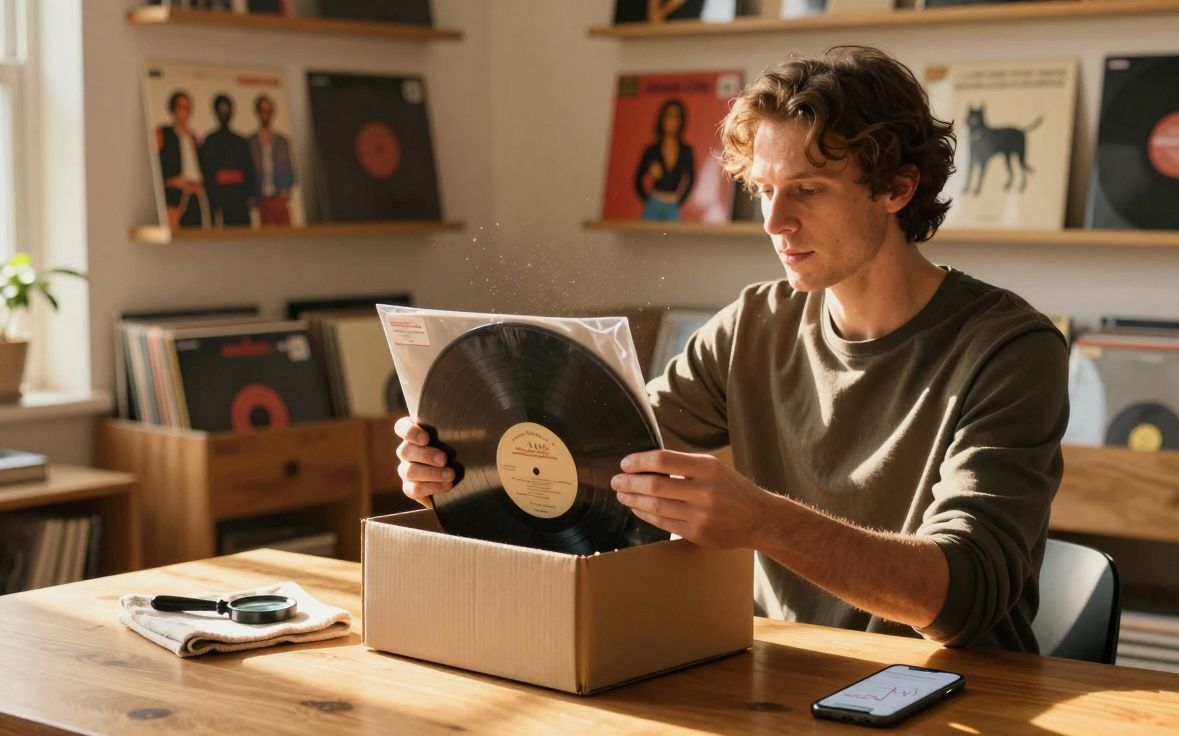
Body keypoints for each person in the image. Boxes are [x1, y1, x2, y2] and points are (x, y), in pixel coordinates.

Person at [394, 46, 1068, 653]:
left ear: (897, 188)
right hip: (778, 675)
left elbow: (966, 598)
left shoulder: (1010, 349)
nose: (774, 224)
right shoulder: (753, 322)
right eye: (765, 191)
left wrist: (762, 521)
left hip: (955, 695)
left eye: (806, 190)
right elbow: (602, 459)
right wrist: (465, 465)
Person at [200, 93, 257, 228]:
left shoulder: (241, 141)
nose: (225, 113)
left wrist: (250, 195)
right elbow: (207, 173)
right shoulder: (210, 141)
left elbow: (249, 171)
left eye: (227, 109)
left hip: (240, 200)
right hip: (221, 200)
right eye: (221, 110)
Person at [634, 99, 696, 222]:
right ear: (662, 119)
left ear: (681, 121)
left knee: (672, 239)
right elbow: (637, 179)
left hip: (672, 204)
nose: (671, 121)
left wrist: (679, 200)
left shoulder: (686, 151)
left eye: (676, 117)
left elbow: (691, 179)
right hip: (654, 202)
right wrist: (648, 200)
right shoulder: (652, 150)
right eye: (668, 116)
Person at [155, 91, 208, 229]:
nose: (185, 112)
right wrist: (170, 182)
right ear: (173, 109)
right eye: (181, 107)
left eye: (188, 108)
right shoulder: (162, 133)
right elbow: (152, 169)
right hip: (174, 196)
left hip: (195, 195)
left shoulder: (194, 138)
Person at [247, 95, 296, 227]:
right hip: (262, 198)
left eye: (269, 111)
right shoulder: (250, 142)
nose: (266, 115)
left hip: (279, 196)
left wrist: (286, 189)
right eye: (263, 111)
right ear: (258, 113)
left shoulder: (282, 141)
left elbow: (290, 169)